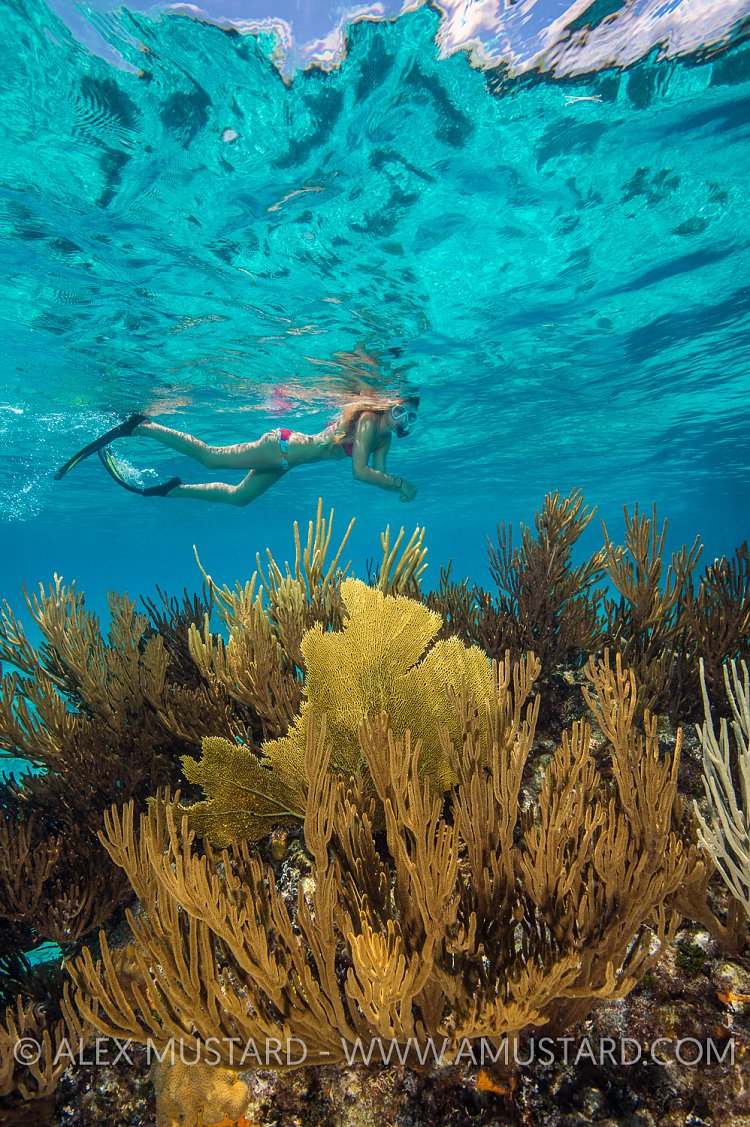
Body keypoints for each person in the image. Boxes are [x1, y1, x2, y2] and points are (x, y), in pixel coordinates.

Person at [53, 396, 420, 506]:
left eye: (409, 416)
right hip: (281, 447)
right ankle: (142, 427)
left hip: (285, 462)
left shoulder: (383, 438)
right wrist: (400, 484)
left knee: (240, 499)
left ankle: (169, 489)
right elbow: (362, 472)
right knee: (210, 458)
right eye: (399, 409)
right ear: (388, 406)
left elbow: (376, 470)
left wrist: (396, 484)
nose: (402, 418)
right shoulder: (370, 420)